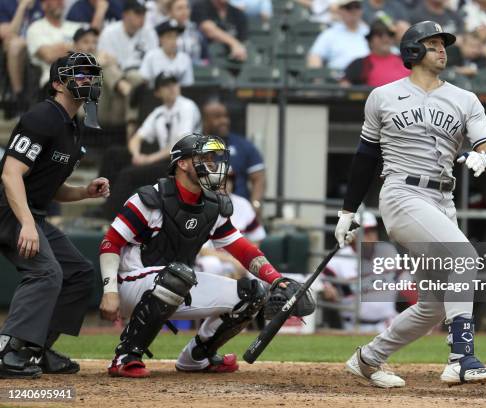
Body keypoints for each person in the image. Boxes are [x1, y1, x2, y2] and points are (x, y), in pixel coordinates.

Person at [335, 21, 486, 387]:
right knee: (465, 258)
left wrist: (484, 159)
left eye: (444, 43)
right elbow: (365, 157)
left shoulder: (464, 99)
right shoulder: (382, 96)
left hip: (443, 199)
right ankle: (461, 357)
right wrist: (348, 210)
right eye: (433, 43)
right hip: (401, 195)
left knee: (434, 305)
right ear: (412, 51)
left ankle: (368, 358)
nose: (442, 49)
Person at [98, 133, 314, 377]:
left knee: (252, 294)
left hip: (177, 282)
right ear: (182, 163)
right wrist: (110, 292)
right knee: (178, 275)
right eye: (205, 158)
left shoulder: (213, 205)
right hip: (131, 285)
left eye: (214, 159)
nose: (213, 165)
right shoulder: (151, 198)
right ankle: (125, 356)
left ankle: (197, 357)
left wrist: (276, 278)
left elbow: (242, 247)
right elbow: (110, 243)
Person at [0, 53, 108, 379]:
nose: (88, 81)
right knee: (47, 273)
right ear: (58, 83)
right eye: (80, 75)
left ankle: (36, 349)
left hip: (32, 212)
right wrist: (29, 225)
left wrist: (84, 192)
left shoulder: (75, 125)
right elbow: (10, 174)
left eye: (92, 75)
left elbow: (53, 187)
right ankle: (8, 351)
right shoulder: (43, 117)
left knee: (78, 273)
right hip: (8, 209)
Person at [100, 74, 201, 219]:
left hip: (182, 165)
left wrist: (149, 159)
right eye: (166, 86)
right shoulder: (159, 112)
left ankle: (110, 217)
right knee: (114, 154)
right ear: (157, 92)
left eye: (174, 84)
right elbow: (137, 138)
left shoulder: (186, 106)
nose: (172, 88)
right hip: (163, 161)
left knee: (128, 174)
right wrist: (136, 155)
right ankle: (104, 200)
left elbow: (180, 145)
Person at [322, 211, 399, 332]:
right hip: (354, 326)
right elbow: (320, 280)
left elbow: (407, 282)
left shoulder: (388, 251)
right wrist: (326, 287)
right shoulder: (340, 259)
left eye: (373, 230)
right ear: (353, 235)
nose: (371, 236)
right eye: (366, 232)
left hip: (388, 323)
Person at [97, 0, 157, 135]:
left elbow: (153, 62)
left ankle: (126, 90)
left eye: (143, 14)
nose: (142, 18)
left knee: (135, 77)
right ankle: (125, 89)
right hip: (115, 76)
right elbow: (105, 61)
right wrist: (120, 76)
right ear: (125, 15)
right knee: (105, 65)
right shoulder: (110, 32)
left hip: (139, 76)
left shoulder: (149, 33)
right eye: (137, 14)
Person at [201, 100, 265, 209]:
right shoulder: (194, 148)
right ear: (205, 120)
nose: (224, 121)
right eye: (217, 117)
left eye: (225, 116)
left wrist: (255, 205)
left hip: (239, 211)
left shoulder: (243, 145)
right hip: (205, 210)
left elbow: (259, 178)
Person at [26, 0, 81, 87]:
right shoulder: (35, 28)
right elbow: (49, 56)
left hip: (83, 75)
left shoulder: (75, 27)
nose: (60, 2)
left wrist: (59, 49)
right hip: (54, 80)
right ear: (44, 5)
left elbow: (89, 49)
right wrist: (75, 48)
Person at [0, 0, 43, 111]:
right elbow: (8, 34)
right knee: (14, 45)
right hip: (17, 46)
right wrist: (22, 7)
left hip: (40, 43)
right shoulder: (4, 4)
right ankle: (19, 97)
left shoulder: (41, 3)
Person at [342, 18, 410, 87]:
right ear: (370, 40)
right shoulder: (359, 64)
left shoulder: (407, 60)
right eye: (380, 35)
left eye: (390, 34)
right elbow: (344, 87)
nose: (385, 39)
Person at [307, 0, 369, 71]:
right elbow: (315, 56)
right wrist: (317, 78)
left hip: (367, 77)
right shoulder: (331, 33)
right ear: (340, 10)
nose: (353, 11)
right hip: (338, 77)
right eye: (349, 7)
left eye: (357, 7)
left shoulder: (368, 31)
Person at [139, 19, 194, 86]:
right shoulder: (151, 56)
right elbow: (144, 81)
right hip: (155, 94)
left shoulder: (185, 58)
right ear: (160, 39)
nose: (173, 40)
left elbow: (187, 85)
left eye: (176, 36)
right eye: (169, 36)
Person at [167, 0, 207, 65]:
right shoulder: (163, 31)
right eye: (180, 8)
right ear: (170, 12)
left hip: (196, 71)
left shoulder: (196, 29)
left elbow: (205, 56)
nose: (184, 12)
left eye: (187, 7)